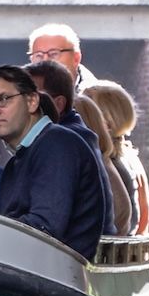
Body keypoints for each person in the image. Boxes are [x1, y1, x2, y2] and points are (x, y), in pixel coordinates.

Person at [0, 63, 105, 259]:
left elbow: (44, 229)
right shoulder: (18, 161)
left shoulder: (57, 144)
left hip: (53, 272)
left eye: (3, 99)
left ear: (32, 101)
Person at [27, 60, 114, 234]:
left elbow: (45, 223)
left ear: (59, 104)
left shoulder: (62, 144)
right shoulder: (72, 133)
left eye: (31, 99)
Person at [83, 81, 149, 234]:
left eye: (83, 111)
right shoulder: (130, 157)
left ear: (106, 124)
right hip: (128, 240)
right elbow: (145, 212)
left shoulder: (102, 161)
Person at [28, 21, 101, 88]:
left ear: (76, 58)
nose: (45, 61)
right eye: (39, 55)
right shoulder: (25, 93)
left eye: (53, 54)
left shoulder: (97, 95)